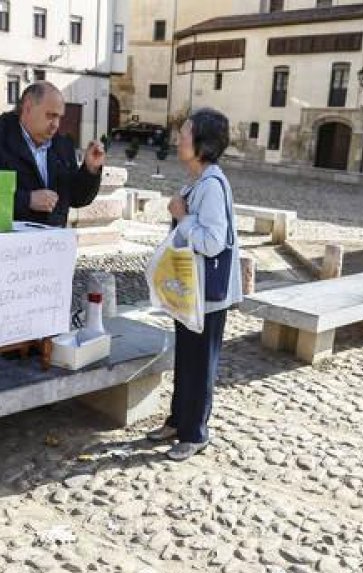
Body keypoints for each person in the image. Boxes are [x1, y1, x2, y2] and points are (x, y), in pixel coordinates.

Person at [146, 108, 243, 461]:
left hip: (208, 296)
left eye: (185, 133)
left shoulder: (212, 185)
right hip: (191, 289)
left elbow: (213, 242)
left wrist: (182, 218)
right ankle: (177, 421)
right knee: (186, 357)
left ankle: (195, 433)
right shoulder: (198, 181)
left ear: (203, 142)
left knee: (200, 362)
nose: (178, 138)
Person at [0, 81, 105, 226]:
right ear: (28, 108)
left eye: (59, 117)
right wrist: (27, 200)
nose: (56, 124)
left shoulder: (62, 145)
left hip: (52, 243)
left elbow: (76, 198)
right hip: (5, 241)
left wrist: (90, 170)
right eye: (50, 115)